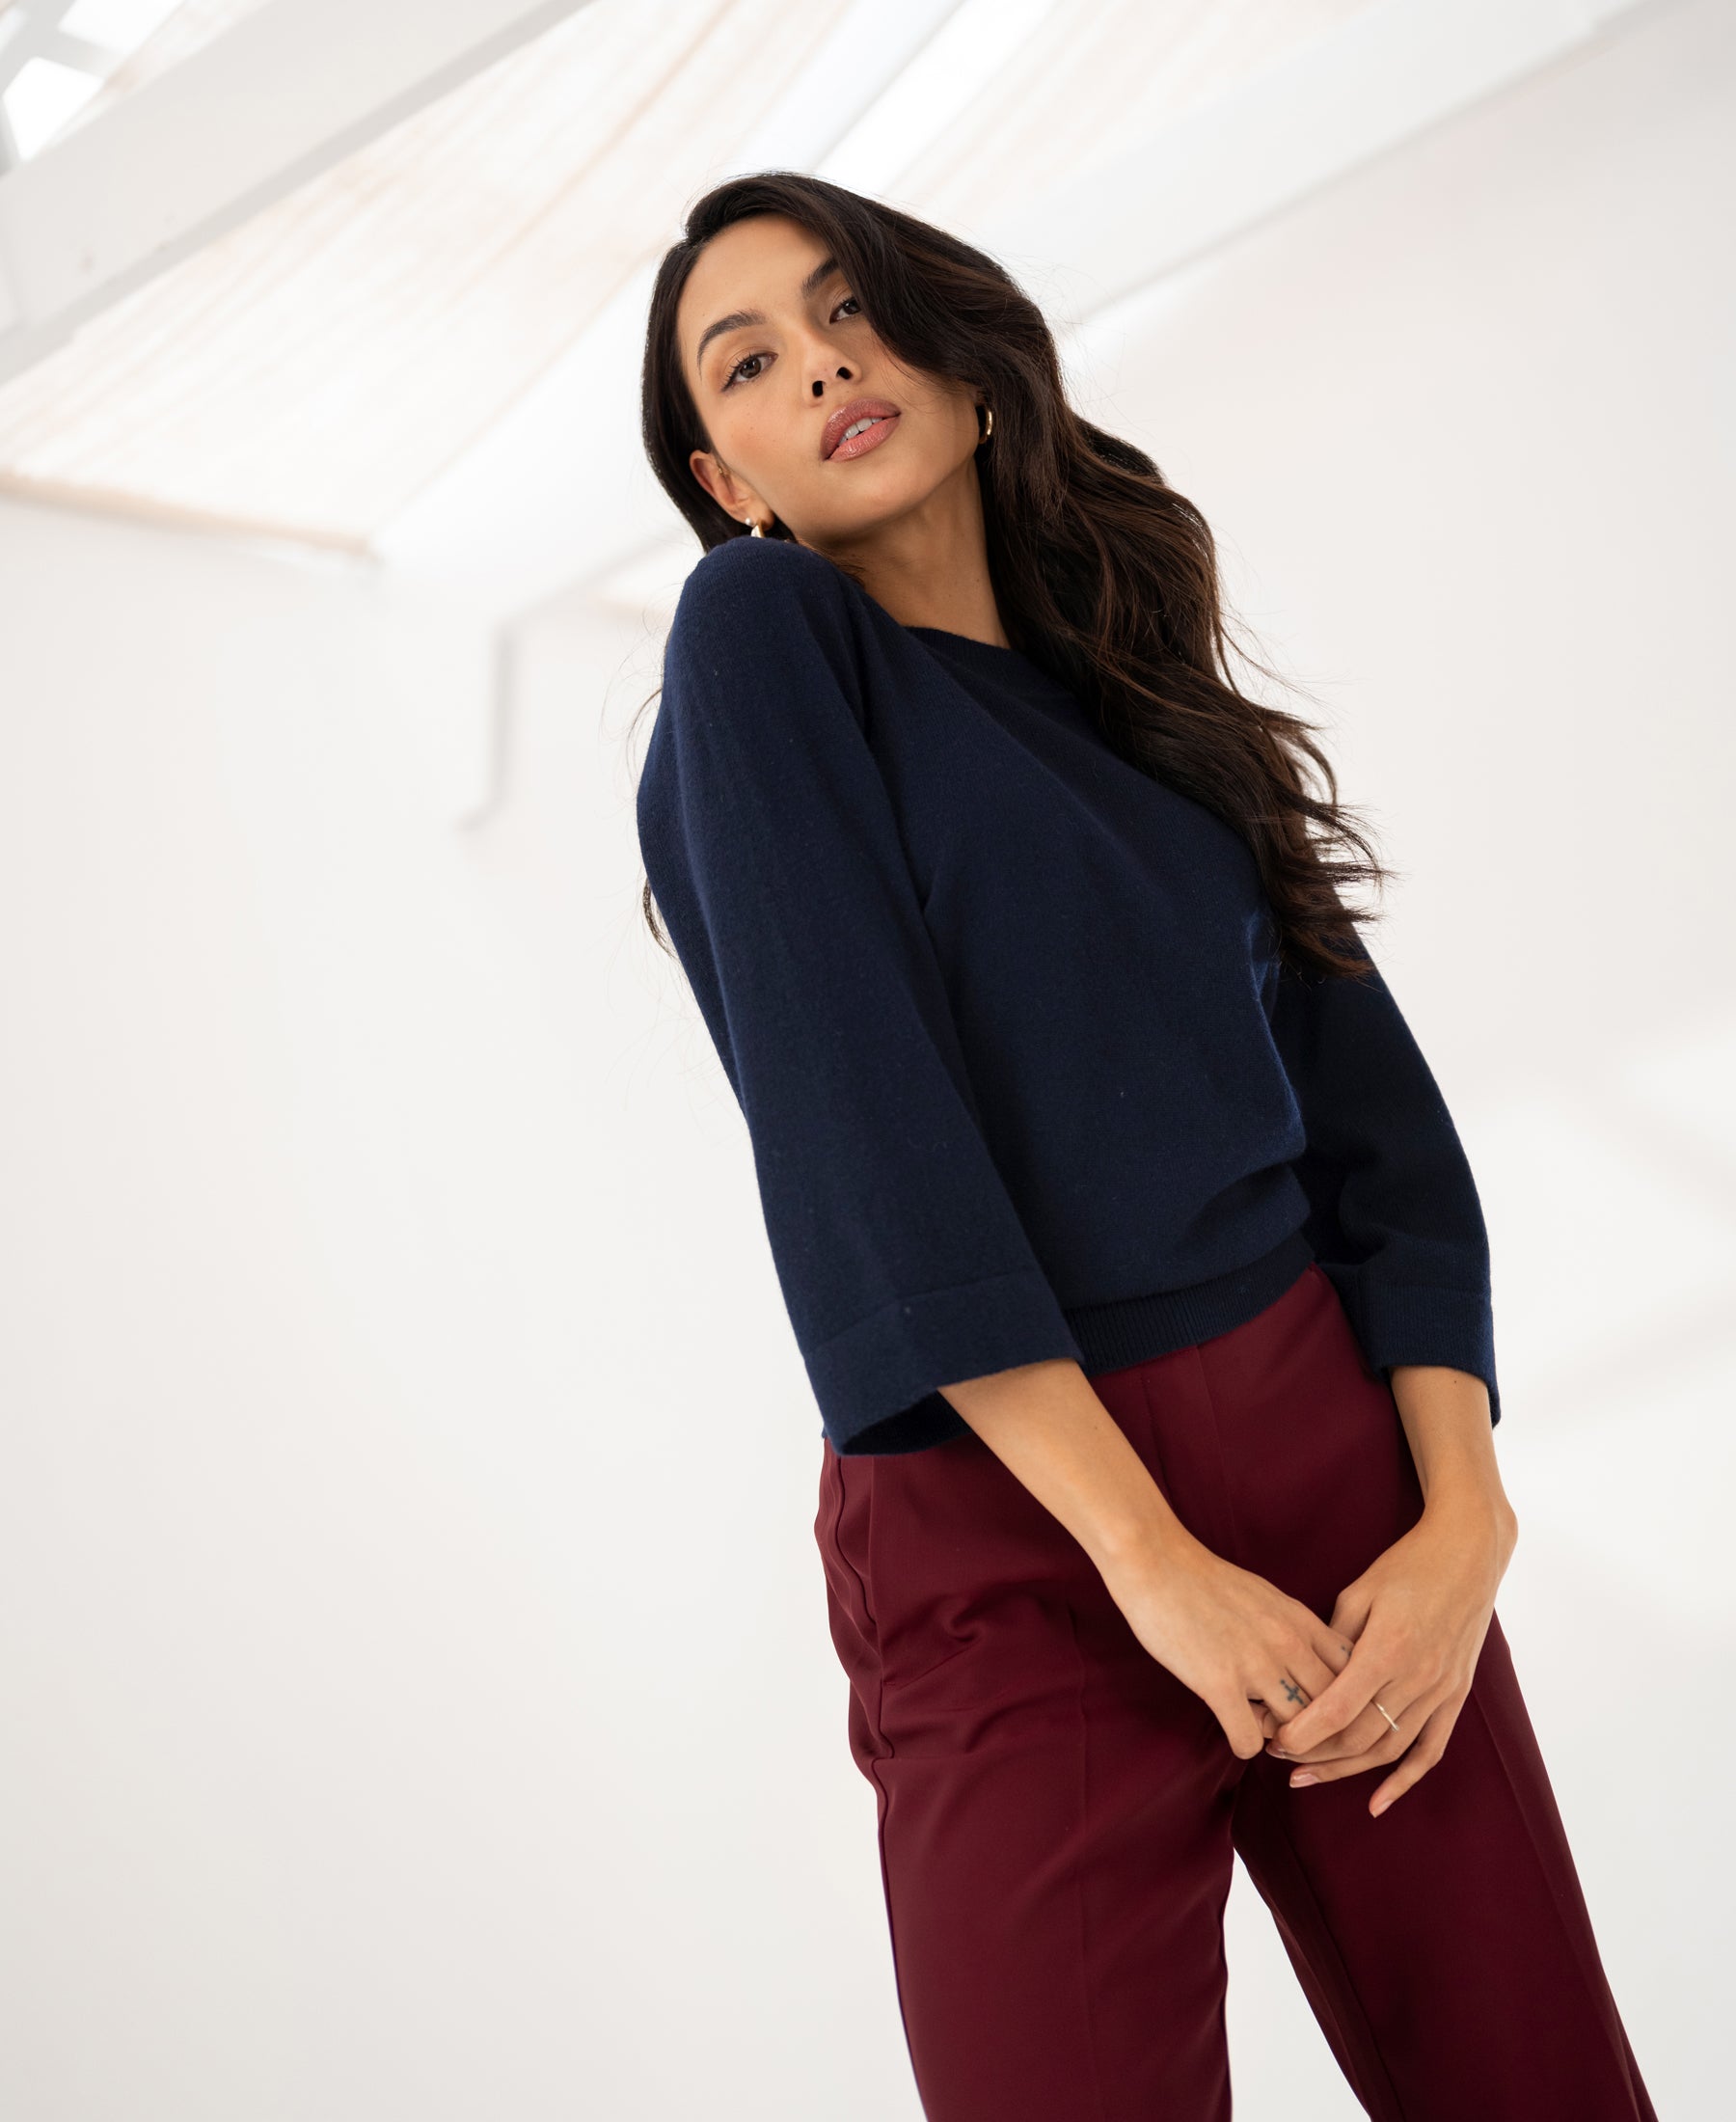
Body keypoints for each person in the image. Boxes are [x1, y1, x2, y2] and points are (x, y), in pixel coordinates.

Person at [632, 170, 1655, 2121]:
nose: (822, 358)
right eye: (750, 359)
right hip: (1013, 1522)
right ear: (729, 473)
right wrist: (1149, 1562)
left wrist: (1465, 1523)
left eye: (852, 308)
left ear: (969, 362)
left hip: (1339, 1465)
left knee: (1541, 2083)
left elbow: (1385, 1141)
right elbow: (870, 1145)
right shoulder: (760, 634)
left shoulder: (1150, 697)